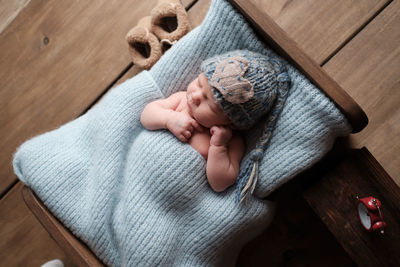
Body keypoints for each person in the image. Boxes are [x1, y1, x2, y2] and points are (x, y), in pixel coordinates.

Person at [140, 50, 290, 197]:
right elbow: (146, 115)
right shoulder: (181, 101)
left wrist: (218, 147)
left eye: (208, 102)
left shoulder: (231, 141)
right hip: (142, 165)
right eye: (199, 83)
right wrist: (168, 119)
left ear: (232, 123)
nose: (196, 95)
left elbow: (220, 184)